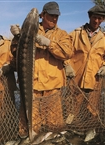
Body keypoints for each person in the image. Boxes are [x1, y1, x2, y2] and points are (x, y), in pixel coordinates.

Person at [10, 1, 74, 139]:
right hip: (32, 88)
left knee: (54, 125)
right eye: (51, 16)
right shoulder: (30, 30)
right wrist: (17, 38)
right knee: (28, 125)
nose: (54, 19)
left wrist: (48, 43)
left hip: (52, 88)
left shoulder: (62, 34)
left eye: (57, 16)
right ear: (42, 15)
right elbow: (16, 53)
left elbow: (68, 52)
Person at [64, 5, 105, 142]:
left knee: (93, 109)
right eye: (95, 17)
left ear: (103, 20)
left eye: (100, 18)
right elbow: (65, 52)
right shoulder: (75, 34)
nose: (97, 21)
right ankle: (71, 134)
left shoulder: (104, 37)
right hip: (76, 78)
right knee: (72, 108)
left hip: (95, 80)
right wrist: (67, 65)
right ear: (89, 17)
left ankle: (90, 133)